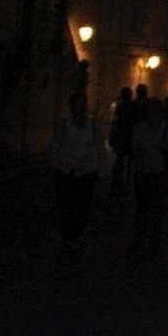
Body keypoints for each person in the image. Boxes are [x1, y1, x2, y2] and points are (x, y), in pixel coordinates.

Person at [50, 92, 103, 254]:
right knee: (65, 203)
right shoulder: (65, 125)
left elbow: (99, 148)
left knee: (83, 204)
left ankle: (77, 233)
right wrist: (55, 165)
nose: (79, 108)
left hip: (86, 171)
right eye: (76, 105)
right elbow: (55, 146)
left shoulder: (93, 126)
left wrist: (100, 169)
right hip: (66, 170)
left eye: (82, 104)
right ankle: (66, 234)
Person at [128, 95, 168, 262]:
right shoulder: (140, 129)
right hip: (143, 173)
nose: (153, 114)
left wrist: (165, 149)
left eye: (155, 111)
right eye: (150, 111)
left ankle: (153, 244)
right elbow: (135, 149)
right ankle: (138, 242)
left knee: (156, 211)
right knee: (141, 210)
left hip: (159, 173)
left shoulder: (166, 129)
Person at [108, 86, 134, 195]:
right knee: (125, 161)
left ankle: (118, 182)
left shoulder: (121, 106)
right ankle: (123, 182)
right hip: (127, 137)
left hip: (123, 136)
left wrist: (113, 135)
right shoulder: (130, 106)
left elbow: (116, 122)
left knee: (120, 161)